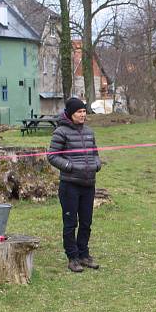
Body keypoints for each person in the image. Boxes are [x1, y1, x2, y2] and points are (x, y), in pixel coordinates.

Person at [48, 97, 102, 273]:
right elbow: (52, 156)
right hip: (70, 185)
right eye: (79, 112)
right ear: (71, 114)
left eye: (84, 111)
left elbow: (95, 153)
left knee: (86, 222)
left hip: (88, 183)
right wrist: (70, 167)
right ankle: (72, 257)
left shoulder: (89, 132)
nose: (83, 115)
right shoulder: (60, 132)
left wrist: (97, 164)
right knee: (71, 222)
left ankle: (84, 254)